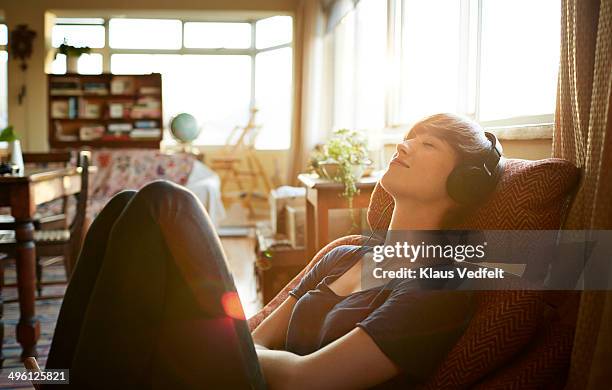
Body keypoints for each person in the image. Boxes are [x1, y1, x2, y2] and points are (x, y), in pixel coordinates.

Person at [46, 113, 503, 389]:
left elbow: (309, 380)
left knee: (168, 202)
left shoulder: (440, 284)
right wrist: (214, 342)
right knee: (124, 207)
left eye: (427, 143)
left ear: (462, 184)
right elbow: (257, 335)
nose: (404, 143)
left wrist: (208, 344)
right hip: (243, 375)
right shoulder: (343, 255)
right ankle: (56, 378)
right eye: (409, 134)